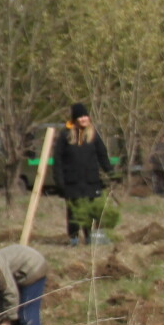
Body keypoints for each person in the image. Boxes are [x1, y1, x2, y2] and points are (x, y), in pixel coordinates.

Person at [54, 104, 112, 245]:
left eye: (85, 116)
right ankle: (73, 238)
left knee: (91, 211)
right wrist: (59, 180)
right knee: (74, 212)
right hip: (72, 182)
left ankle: (89, 237)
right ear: (75, 119)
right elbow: (58, 160)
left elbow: (102, 156)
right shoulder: (65, 136)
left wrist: (111, 172)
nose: (84, 119)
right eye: (80, 116)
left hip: (90, 181)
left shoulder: (93, 135)